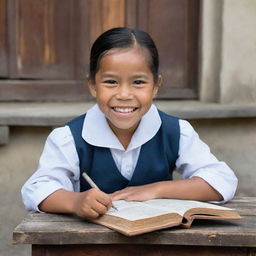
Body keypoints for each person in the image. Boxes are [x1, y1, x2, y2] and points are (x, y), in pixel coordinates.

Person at [21, 27, 238, 219]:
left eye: (138, 82)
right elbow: (37, 189)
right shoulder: (68, 138)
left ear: (156, 85)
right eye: (111, 82)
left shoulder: (175, 132)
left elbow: (222, 180)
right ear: (92, 85)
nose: (124, 94)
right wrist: (75, 202)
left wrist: (157, 189)